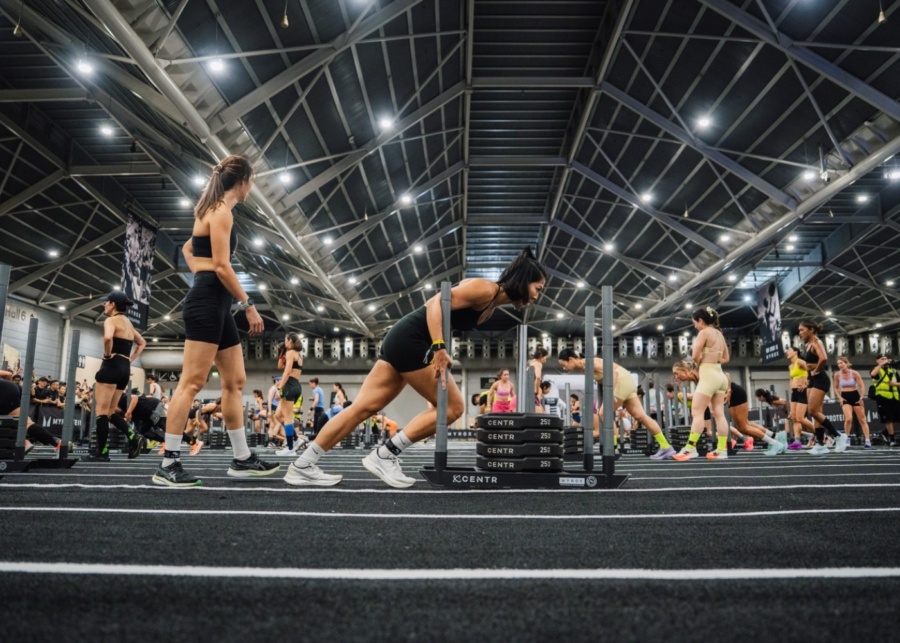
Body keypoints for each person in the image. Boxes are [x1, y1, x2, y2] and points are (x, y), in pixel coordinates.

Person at [284, 246, 547, 488]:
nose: (537, 295)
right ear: (524, 282)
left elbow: (447, 317)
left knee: (363, 408)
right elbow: (434, 304)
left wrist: (441, 349)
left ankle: (302, 465)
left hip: (406, 338)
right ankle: (385, 454)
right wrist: (439, 348)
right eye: (538, 287)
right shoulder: (485, 289)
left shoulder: (491, 304)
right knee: (454, 408)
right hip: (412, 339)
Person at [153, 155, 278, 486]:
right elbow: (222, 266)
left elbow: (187, 251)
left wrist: (204, 273)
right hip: (209, 300)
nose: (252, 187)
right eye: (252, 182)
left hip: (216, 302)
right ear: (243, 182)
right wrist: (248, 303)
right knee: (192, 383)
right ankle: (168, 462)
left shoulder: (213, 210)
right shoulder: (220, 212)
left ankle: (241, 458)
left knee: (235, 381)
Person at [558, 349, 675, 460]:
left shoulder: (589, 362)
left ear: (571, 359)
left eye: (564, 364)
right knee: (641, 416)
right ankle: (666, 447)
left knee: (604, 414)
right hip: (626, 381)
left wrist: (611, 392)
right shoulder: (584, 367)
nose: (564, 368)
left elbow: (612, 372)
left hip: (621, 381)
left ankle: (613, 449)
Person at [672, 361, 785, 455]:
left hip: (735, 393)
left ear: (684, 370)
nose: (676, 377)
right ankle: (776, 436)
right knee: (744, 425)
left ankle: (775, 444)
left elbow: (726, 375)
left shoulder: (701, 370)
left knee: (744, 427)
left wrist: (729, 391)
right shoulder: (697, 378)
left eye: (676, 373)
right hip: (729, 394)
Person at [85, 292, 146, 462]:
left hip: (111, 366)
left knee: (101, 412)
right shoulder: (128, 323)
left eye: (106, 303)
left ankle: (102, 452)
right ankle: (133, 437)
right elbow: (142, 343)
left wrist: (106, 355)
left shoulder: (110, 320)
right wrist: (130, 359)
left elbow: (107, 337)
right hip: (124, 368)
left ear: (112, 304)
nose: (104, 305)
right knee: (111, 412)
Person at [672, 306, 730, 461]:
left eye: (695, 323)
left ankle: (690, 449)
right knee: (719, 413)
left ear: (701, 321)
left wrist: (699, 364)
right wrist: (712, 358)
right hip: (720, 376)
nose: (695, 326)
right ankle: (722, 450)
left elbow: (695, 355)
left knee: (696, 413)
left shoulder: (703, 332)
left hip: (709, 375)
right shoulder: (719, 334)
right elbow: (726, 358)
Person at [798, 320, 841, 455]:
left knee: (812, 410)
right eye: (799, 330)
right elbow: (809, 364)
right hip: (812, 380)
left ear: (811, 330)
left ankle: (838, 435)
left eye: (802, 330)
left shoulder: (817, 342)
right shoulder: (807, 345)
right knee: (817, 413)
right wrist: (807, 376)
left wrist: (816, 370)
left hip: (821, 379)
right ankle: (821, 444)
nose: (800, 333)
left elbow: (823, 358)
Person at [0, 369, 63, 454]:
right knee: (26, 423)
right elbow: (8, 374)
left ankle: (22, 442)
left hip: (5, 389)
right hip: (12, 388)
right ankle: (56, 442)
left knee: (4, 423)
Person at [274, 333, 304, 456]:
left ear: (290, 341)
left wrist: (280, 388)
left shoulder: (291, 353)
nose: (284, 342)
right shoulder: (297, 354)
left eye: (285, 340)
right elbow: (280, 366)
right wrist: (281, 353)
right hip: (295, 385)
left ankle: (290, 448)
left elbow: (286, 372)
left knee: (287, 418)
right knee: (277, 415)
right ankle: (296, 439)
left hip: (289, 385)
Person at [783, 347, 818, 450]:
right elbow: (791, 378)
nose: (787, 352)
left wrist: (806, 383)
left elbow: (811, 370)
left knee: (800, 418)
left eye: (789, 350)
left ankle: (819, 434)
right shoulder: (790, 366)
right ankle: (797, 441)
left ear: (795, 352)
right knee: (794, 418)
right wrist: (791, 387)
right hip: (794, 392)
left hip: (802, 392)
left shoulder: (800, 362)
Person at [833, 356, 870, 449]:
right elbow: (836, 388)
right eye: (838, 364)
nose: (840, 365)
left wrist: (861, 397)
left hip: (855, 395)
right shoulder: (837, 375)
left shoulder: (854, 373)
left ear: (846, 363)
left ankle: (867, 440)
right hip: (845, 396)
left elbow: (861, 386)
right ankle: (847, 438)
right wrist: (840, 398)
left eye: (841, 363)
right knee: (848, 418)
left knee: (862, 419)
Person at [870, 354, 899, 446]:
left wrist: (894, 384)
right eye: (882, 359)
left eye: (886, 358)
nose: (885, 360)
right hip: (883, 397)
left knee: (896, 419)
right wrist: (881, 365)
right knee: (888, 419)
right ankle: (892, 439)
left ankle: (885, 433)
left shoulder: (893, 370)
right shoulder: (877, 369)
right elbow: (873, 374)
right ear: (877, 360)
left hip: (895, 397)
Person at [530, 347, 549, 412]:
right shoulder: (538, 364)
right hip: (532, 392)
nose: (546, 360)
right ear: (541, 356)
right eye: (545, 357)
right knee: (541, 414)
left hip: (527, 390)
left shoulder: (531, 362)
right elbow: (538, 377)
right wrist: (537, 390)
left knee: (542, 412)